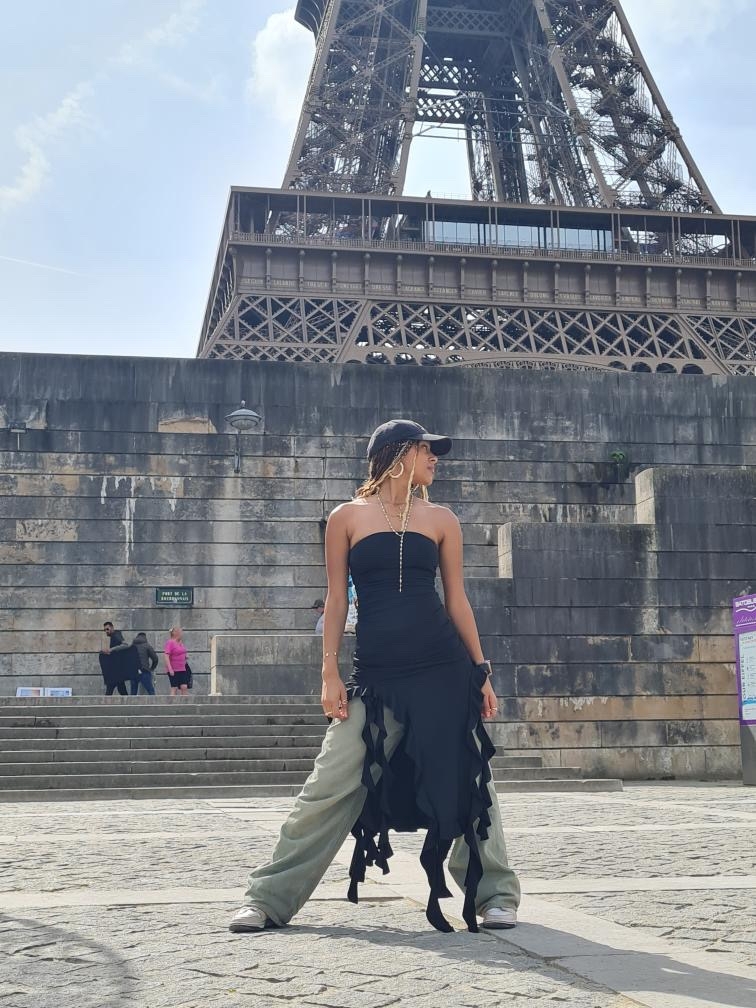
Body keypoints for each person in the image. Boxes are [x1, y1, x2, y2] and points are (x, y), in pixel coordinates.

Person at [230, 419, 520, 936]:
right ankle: (268, 898)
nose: (435, 459)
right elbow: (337, 599)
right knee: (328, 784)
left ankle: (494, 895)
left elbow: (457, 600)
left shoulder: (442, 519)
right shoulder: (346, 517)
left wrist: (481, 672)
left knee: (472, 778)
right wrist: (329, 671)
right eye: (427, 450)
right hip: (377, 675)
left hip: (442, 668)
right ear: (397, 454)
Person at [99, 621, 137, 696]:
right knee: (121, 690)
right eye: (105, 630)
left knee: (110, 690)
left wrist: (111, 650)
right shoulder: (114, 636)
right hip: (117, 672)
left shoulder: (116, 635)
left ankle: (106, 702)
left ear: (112, 628)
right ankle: (126, 702)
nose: (106, 631)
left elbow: (125, 645)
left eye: (107, 629)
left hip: (116, 672)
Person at [163, 626, 190, 697]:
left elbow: (182, 651)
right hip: (173, 669)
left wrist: (186, 655)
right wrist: (170, 669)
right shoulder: (170, 642)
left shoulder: (180, 643)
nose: (182, 634)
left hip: (182, 668)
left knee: (184, 687)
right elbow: (166, 656)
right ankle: (172, 703)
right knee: (174, 688)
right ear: (176, 633)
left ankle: (185, 703)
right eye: (181, 632)